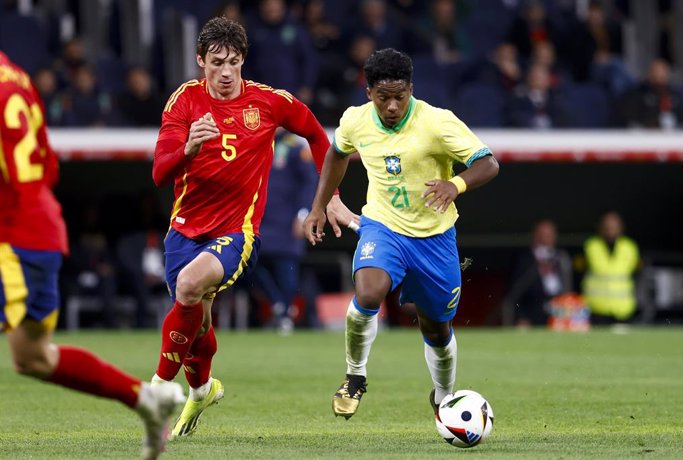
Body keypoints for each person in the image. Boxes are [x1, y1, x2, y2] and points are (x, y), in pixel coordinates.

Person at [151, 16, 356, 437]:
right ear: (200, 61)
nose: (225, 73)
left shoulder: (268, 103)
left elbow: (320, 137)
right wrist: (188, 148)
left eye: (233, 62)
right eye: (216, 63)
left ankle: (157, 390)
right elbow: (159, 172)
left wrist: (330, 196)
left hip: (237, 232)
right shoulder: (183, 102)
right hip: (185, 229)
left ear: (244, 60)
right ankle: (203, 388)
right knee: (197, 323)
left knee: (189, 287)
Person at [0, 50, 184, 460]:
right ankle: (144, 400)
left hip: (12, 238)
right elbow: (48, 166)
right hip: (37, 230)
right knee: (32, 357)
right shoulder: (18, 75)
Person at [303, 48, 499, 420]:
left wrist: (455, 185)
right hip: (384, 227)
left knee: (437, 327)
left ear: (411, 89)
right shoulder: (355, 121)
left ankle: (444, 396)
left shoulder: (437, 122)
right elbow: (336, 154)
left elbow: (488, 163)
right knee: (368, 291)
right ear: (368, 93)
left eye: (400, 96)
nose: (392, 106)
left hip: (434, 238)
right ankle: (355, 376)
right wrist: (320, 204)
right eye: (383, 97)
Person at [249, 129, 319, 333]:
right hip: (260, 220)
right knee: (246, 264)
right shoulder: (257, 143)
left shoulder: (296, 147)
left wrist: (303, 214)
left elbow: (309, 181)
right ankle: (278, 304)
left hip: (288, 222)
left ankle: (285, 315)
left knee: (286, 269)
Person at [502, 219, 572, 327]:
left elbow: (568, 287)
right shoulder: (525, 260)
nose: (545, 239)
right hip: (533, 314)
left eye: (549, 235)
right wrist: (521, 317)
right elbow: (514, 293)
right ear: (535, 236)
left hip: (559, 313)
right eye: (542, 235)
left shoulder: (561, 258)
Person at [582, 211, 640, 324]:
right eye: (606, 227)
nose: (610, 231)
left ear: (621, 228)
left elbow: (637, 274)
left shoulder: (630, 247)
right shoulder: (591, 246)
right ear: (600, 228)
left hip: (623, 309)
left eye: (613, 227)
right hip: (596, 309)